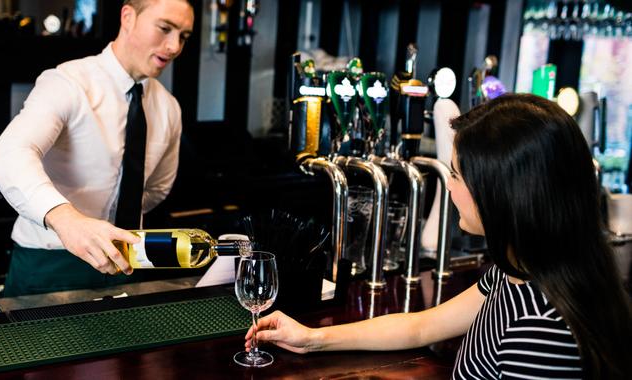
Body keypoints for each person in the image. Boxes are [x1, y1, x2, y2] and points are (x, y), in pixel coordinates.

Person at [245, 94, 632, 379]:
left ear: (506, 196)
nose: (448, 186)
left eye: (458, 175)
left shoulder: (540, 330)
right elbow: (421, 326)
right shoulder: (517, 273)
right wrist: (311, 338)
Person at [0, 0, 194, 296]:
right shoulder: (68, 82)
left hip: (129, 264)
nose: (174, 46)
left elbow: (156, 190)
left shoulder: (169, 107)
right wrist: (68, 220)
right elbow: (9, 155)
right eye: (165, 28)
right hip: (50, 264)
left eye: (184, 36)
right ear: (128, 17)